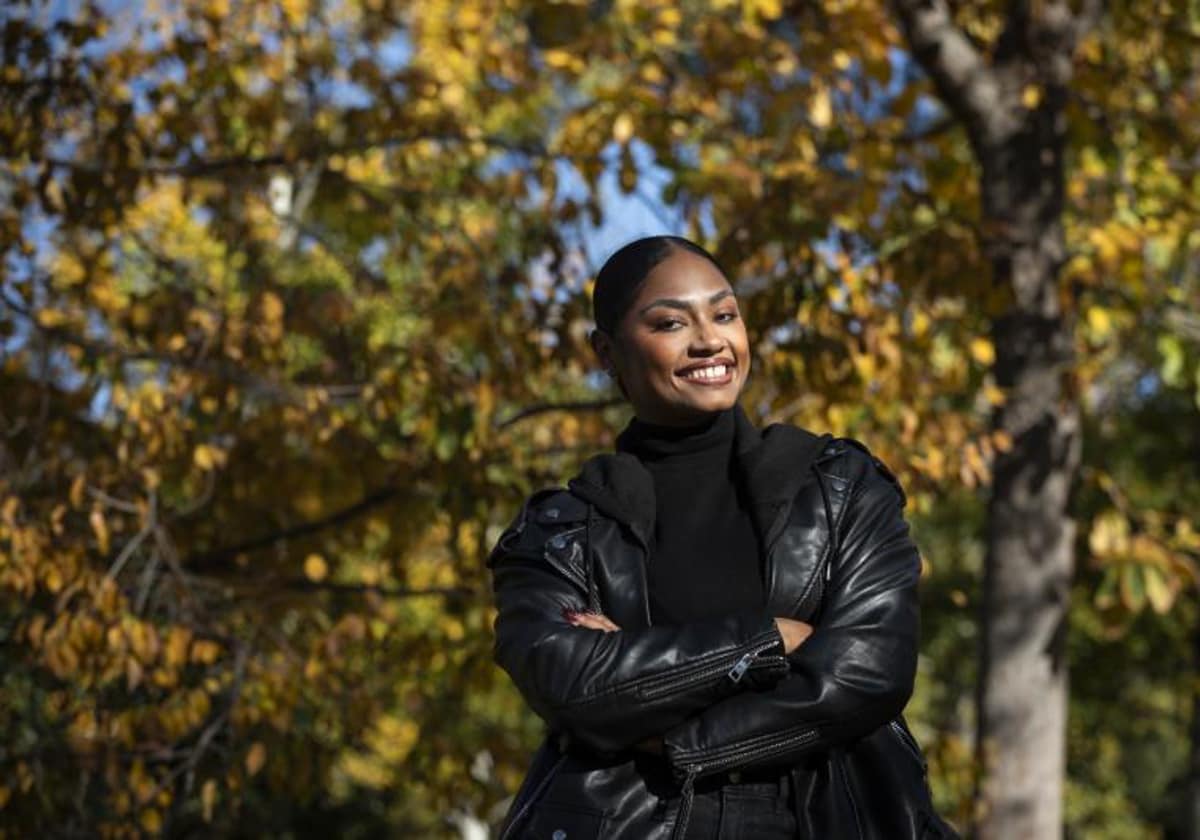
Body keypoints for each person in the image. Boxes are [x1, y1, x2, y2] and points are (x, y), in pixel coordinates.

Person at [485, 235, 959, 839]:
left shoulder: (842, 489)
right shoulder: (562, 533)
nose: (710, 339)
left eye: (725, 313)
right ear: (606, 352)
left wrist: (673, 733)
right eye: (671, 323)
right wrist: (768, 642)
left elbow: (869, 671)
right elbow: (572, 684)